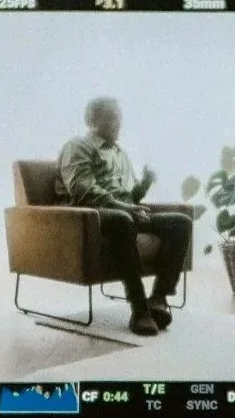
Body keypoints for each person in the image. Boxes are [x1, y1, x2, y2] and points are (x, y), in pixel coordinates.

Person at [56, 97, 191, 336]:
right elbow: (83, 190)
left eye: (119, 117)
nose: (119, 123)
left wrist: (144, 184)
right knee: (122, 219)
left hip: (123, 212)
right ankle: (139, 310)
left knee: (180, 222)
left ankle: (158, 298)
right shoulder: (78, 146)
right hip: (90, 215)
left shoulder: (119, 153)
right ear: (91, 120)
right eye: (112, 117)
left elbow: (129, 196)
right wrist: (126, 209)